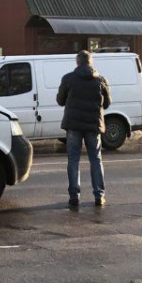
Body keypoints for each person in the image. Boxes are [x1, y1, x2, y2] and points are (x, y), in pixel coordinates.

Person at [56, 50, 111, 207]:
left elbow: (60, 100)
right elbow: (107, 103)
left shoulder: (68, 79)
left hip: (73, 125)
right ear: (90, 62)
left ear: (77, 62)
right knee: (96, 159)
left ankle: (74, 196)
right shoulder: (101, 80)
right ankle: (99, 195)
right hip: (93, 125)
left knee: (73, 160)